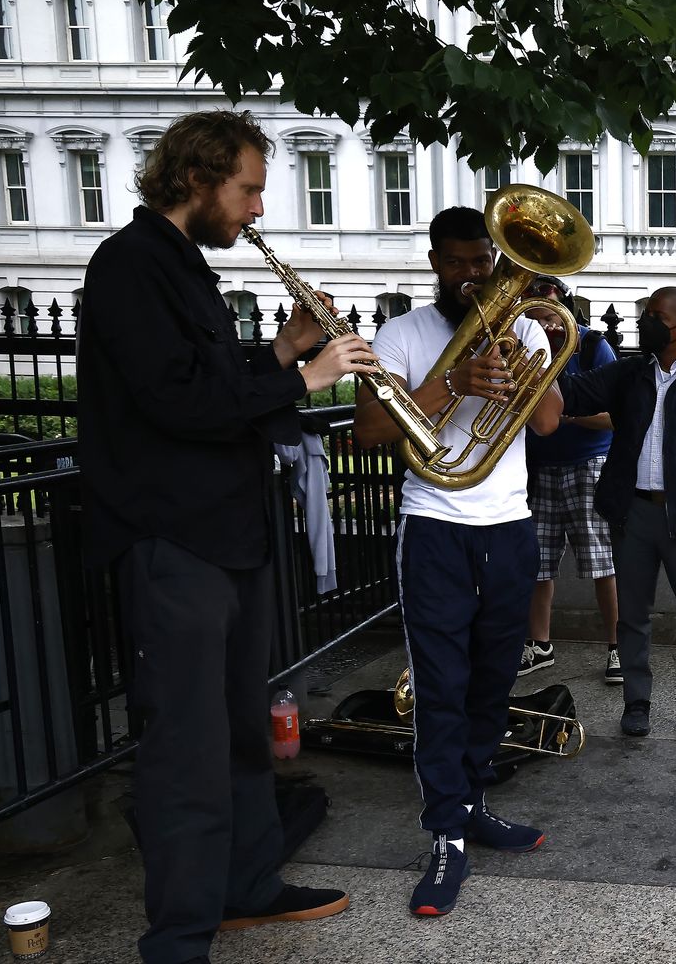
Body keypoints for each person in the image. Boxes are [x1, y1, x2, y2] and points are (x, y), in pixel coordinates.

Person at [78, 109, 370, 963]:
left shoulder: (187, 270)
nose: (255, 211)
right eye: (247, 191)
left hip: (228, 537)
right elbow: (177, 406)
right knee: (185, 744)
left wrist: (281, 351)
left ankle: (246, 885)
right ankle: (177, 936)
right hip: (174, 543)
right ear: (200, 179)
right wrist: (311, 375)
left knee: (243, 726)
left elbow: (210, 381)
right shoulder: (132, 266)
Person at [352, 206, 561, 916]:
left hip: (508, 524)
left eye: (484, 262)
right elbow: (369, 428)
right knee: (441, 683)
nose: (473, 276)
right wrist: (455, 383)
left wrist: (537, 346)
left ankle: (471, 805)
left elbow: (549, 421)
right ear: (436, 262)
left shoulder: (524, 326)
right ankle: (444, 831)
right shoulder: (402, 334)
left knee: (493, 679)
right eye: (460, 263)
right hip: (436, 524)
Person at [556, 286, 676, 739]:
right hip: (633, 513)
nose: (645, 322)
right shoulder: (627, 374)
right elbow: (571, 395)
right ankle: (636, 703)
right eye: (645, 313)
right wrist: (541, 353)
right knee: (632, 615)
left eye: (655, 315)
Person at [518, 275, 622, 683]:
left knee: (602, 562)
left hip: (587, 464)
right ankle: (539, 644)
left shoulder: (593, 345)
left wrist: (562, 415)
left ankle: (618, 647)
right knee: (537, 563)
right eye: (534, 314)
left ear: (565, 305)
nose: (545, 323)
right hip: (539, 466)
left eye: (549, 312)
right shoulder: (522, 345)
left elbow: (617, 416)